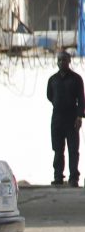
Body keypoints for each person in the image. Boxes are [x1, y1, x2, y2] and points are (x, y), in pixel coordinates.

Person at [46, 51, 85, 187]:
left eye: (64, 60)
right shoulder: (53, 79)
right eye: (59, 60)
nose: (61, 62)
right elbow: (50, 96)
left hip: (72, 119)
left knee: (73, 149)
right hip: (57, 119)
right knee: (58, 149)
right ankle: (58, 177)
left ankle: (73, 177)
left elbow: (81, 99)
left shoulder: (76, 79)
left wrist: (79, 116)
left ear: (69, 61)